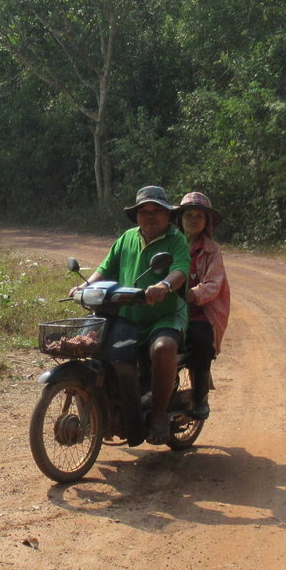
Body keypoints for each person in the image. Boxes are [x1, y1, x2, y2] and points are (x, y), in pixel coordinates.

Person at [74, 184, 191, 446]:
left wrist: (164, 285)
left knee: (163, 348)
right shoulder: (126, 238)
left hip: (164, 316)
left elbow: (180, 270)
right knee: (94, 348)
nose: (150, 216)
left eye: (156, 210)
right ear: (137, 216)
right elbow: (105, 269)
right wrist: (84, 286)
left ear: (167, 214)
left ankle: (158, 416)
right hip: (127, 315)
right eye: (143, 211)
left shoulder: (176, 240)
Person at [177, 191, 229, 420]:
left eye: (199, 215)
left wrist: (190, 294)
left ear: (207, 221)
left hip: (199, 314)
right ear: (180, 218)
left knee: (199, 340)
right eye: (189, 214)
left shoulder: (212, 250)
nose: (193, 220)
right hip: (167, 311)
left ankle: (200, 399)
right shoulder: (170, 244)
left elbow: (213, 285)